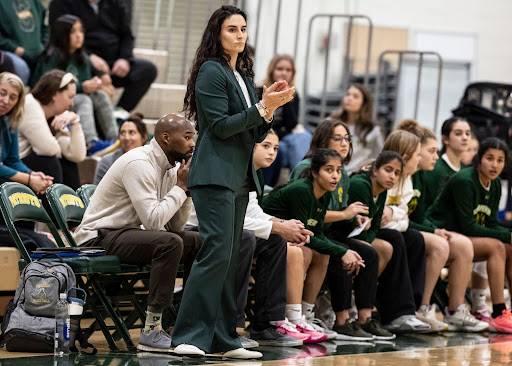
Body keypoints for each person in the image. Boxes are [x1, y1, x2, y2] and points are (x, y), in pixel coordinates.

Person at [170, 6, 294, 359]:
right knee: (216, 253)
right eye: (231, 29)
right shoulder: (211, 71)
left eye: (243, 29)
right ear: (217, 33)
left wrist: (271, 106)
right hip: (214, 174)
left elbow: (253, 130)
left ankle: (224, 337)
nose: (240, 35)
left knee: (232, 256)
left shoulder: (241, 74)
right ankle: (189, 334)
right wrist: (261, 108)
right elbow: (221, 126)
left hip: (239, 175)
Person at [74, 113, 202, 352]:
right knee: (170, 243)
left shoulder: (170, 168)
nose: (192, 143)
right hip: (97, 236)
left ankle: (184, 322)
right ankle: (152, 329)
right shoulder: (139, 163)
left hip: (126, 233)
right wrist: (181, 188)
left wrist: (186, 192)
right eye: (186, 137)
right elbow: (154, 223)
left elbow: (174, 226)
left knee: (197, 240)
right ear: (165, 138)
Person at [290, 119, 394, 340]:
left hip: (327, 231)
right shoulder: (306, 168)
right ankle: (332, 318)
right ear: (322, 140)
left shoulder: (342, 173)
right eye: (338, 138)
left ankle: (362, 317)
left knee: (368, 252)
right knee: (336, 253)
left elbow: (336, 212)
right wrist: (346, 214)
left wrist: (353, 219)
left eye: (347, 138)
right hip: (301, 229)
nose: (344, 143)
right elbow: (310, 215)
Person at [386, 125, 486, 332]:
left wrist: (433, 229)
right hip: (399, 230)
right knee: (440, 245)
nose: (435, 156)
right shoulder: (413, 175)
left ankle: (455, 309)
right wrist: (433, 230)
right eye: (431, 151)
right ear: (415, 152)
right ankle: (422, 306)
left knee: (463, 244)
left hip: (407, 227)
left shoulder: (417, 176)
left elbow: (420, 216)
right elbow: (400, 216)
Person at [262, 149, 366, 335]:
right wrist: (342, 252)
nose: (335, 176)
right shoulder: (302, 190)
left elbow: (316, 233)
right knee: (306, 251)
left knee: (323, 253)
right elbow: (305, 236)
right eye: (329, 170)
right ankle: (291, 315)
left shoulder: (324, 194)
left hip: (286, 237)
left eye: (338, 170)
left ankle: (305, 314)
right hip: (266, 233)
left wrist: (342, 251)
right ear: (315, 172)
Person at [428, 137, 512, 333]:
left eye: (500, 160)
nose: (495, 164)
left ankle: (504, 311)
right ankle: (498, 311)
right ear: (479, 159)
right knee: (497, 246)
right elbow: (468, 226)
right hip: (443, 233)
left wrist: (509, 236)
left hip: (463, 236)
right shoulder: (465, 180)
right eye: (489, 158)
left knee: (508, 246)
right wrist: (508, 236)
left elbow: (490, 222)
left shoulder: (496, 184)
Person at [348, 151, 431, 333]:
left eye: (396, 173)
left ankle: (372, 309)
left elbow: (375, 227)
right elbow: (350, 226)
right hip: (341, 236)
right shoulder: (360, 185)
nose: (392, 176)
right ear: (375, 169)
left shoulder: (382, 191)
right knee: (378, 249)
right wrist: (366, 241)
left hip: (357, 237)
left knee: (390, 243)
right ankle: (361, 311)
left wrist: (368, 239)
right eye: (388, 170)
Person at [49, 0, 157, 112]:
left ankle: (118, 114)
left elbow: (127, 35)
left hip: (113, 64)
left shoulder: (117, 3)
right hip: (79, 62)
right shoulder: (61, 3)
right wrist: (89, 57)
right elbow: (58, 37)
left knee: (147, 70)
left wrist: (124, 59)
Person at [31, 14, 117, 154]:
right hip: (53, 101)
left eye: (81, 31)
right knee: (84, 99)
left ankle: (115, 140)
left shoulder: (81, 56)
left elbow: (91, 78)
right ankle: (91, 143)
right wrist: (82, 86)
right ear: (62, 34)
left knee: (100, 95)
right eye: (73, 31)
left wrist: (97, 82)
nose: (79, 35)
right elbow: (49, 88)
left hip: (75, 97)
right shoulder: (51, 56)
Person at [0, 72, 54, 249]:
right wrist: (29, 180)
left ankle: (29, 240)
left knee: (26, 191)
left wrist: (32, 174)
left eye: (13, 97)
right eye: (2, 93)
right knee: (21, 187)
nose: (6, 100)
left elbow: (13, 160)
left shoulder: (10, 122)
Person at [18, 70, 86, 190]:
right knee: (50, 161)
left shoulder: (56, 116)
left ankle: (74, 206)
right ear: (54, 94)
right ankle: (55, 207)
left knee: (69, 163)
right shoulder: (30, 104)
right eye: (70, 97)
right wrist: (60, 144)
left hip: (27, 166)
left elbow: (77, 155)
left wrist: (75, 121)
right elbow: (49, 149)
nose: (72, 103)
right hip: (13, 167)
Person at [257, 54, 311, 186]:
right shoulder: (260, 89)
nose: (284, 73)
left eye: (288, 70)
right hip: (264, 134)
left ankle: (301, 182)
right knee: (277, 150)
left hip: (283, 136)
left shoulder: (293, 93)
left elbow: (291, 124)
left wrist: (286, 98)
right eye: (280, 69)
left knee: (304, 137)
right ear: (272, 71)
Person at [330, 84, 383, 173]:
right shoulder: (331, 122)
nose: (349, 98)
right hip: (331, 172)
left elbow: (380, 157)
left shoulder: (372, 130)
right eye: (348, 94)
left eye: (355, 96)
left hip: (356, 175)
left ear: (364, 103)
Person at [0, 0, 47, 84]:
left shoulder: (35, 2)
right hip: (10, 52)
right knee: (21, 67)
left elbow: (46, 27)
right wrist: (13, 48)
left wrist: (43, 45)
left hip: (39, 52)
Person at [94, 113, 148, 184]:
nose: (126, 138)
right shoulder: (107, 162)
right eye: (122, 133)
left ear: (144, 137)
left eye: (131, 133)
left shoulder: (152, 160)